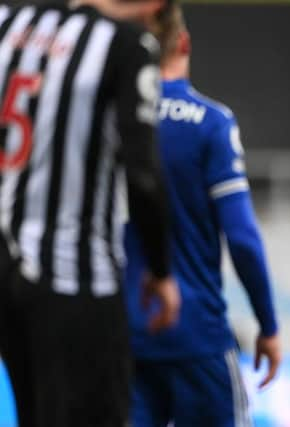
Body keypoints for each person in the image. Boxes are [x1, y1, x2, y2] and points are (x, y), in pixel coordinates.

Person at [0, 1, 180, 427]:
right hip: (77, 280)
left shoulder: (10, 22)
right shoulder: (125, 44)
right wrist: (160, 269)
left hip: (6, 271)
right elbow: (144, 176)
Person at [123, 4, 282, 427]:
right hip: (196, 335)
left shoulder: (114, 122)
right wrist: (268, 324)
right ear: (185, 42)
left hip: (126, 335)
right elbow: (242, 237)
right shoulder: (210, 123)